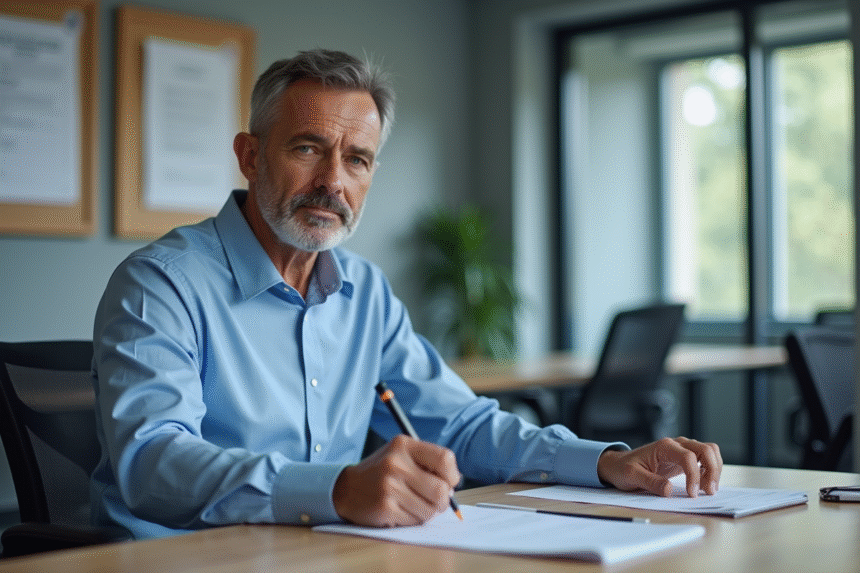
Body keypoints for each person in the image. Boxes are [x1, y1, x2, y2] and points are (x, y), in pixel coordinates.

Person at [91, 49, 722, 539]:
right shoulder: (162, 283)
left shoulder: (363, 292)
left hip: (320, 552)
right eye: (308, 148)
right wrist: (335, 491)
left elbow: (464, 424)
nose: (331, 182)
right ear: (250, 156)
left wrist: (608, 462)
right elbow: (152, 463)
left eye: (357, 160)